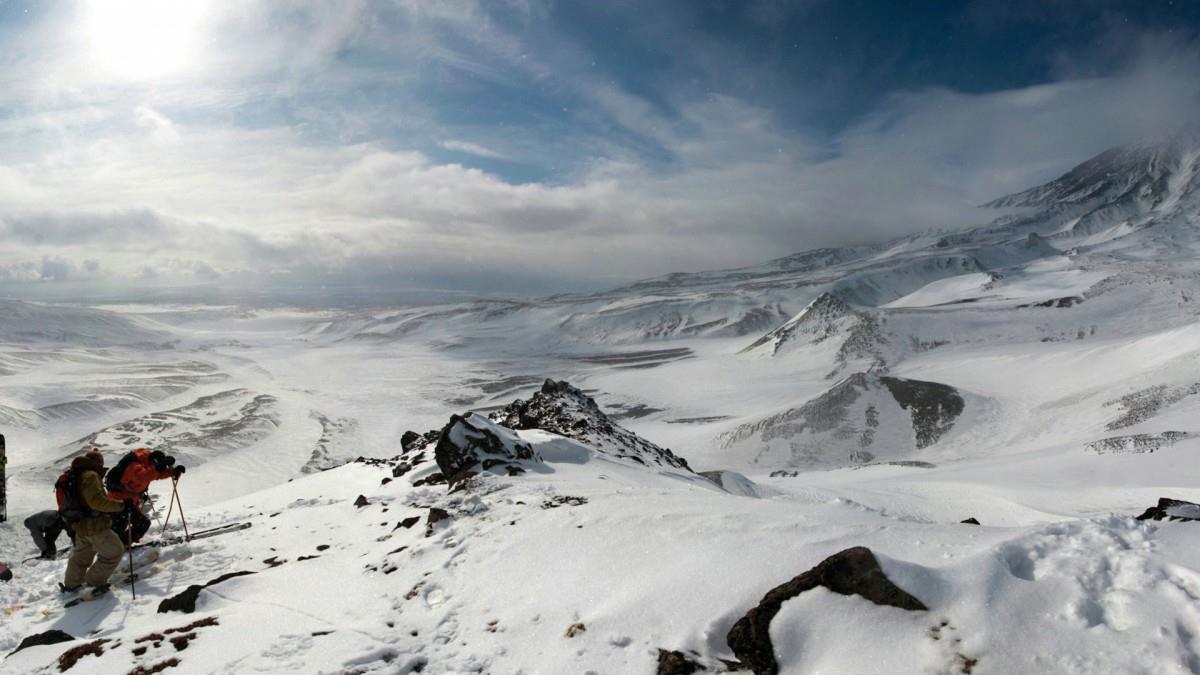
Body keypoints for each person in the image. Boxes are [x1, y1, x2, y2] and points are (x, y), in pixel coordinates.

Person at [61, 449, 129, 594]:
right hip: (95, 525)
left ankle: (71, 584)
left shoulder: (76, 475)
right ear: (98, 463)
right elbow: (96, 502)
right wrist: (121, 505)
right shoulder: (91, 475)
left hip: (80, 525)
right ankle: (94, 581)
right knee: (115, 552)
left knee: (80, 557)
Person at [105, 448, 184, 545]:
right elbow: (143, 477)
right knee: (138, 524)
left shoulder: (147, 463)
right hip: (118, 500)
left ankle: (115, 546)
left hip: (128, 501)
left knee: (123, 526)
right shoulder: (134, 465)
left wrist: (172, 472)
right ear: (153, 461)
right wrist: (160, 466)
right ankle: (116, 546)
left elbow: (155, 474)